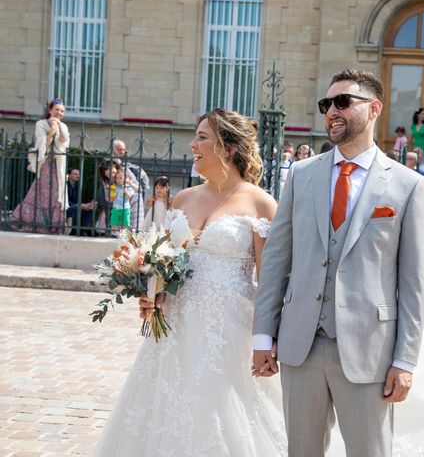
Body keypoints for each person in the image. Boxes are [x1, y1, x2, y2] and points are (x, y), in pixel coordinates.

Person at [252, 69, 424, 457]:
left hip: (371, 353)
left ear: (374, 108)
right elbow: (277, 260)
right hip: (300, 345)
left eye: (343, 102)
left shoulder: (407, 185)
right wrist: (263, 335)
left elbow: (414, 283)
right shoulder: (301, 174)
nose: (332, 110)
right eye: (326, 104)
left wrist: (405, 359)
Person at [92, 108, 284, 456]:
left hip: (228, 332)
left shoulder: (261, 203)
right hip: (175, 330)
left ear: (228, 147)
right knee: (165, 410)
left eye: (202, 137)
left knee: (219, 418)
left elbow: (269, 282)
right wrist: (152, 293)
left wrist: (264, 342)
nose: (193, 144)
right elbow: (163, 264)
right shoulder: (182, 199)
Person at [10, 98, 69, 233]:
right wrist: (52, 130)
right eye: (57, 110)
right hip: (46, 162)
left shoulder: (63, 126)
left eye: (62, 111)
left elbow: (65, 140)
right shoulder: (41, 123)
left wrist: (58, 125)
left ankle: (53, 225)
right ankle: (35, 223)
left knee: (57, 193)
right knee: (40, 191)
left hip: (58, 165)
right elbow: (43, 144)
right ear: (50, 110)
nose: (59, 113)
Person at [111, 139, 149, 231]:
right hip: (116, 196)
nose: (122, 152)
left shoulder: (126, 163)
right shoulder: (110, 161)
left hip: (130, 196)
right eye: (119, 149)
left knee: (129, 223)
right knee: (116, 224)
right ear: (113, 149)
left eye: (123, 149)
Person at [66, 168, 96, 236]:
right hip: (67, 207)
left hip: (76, 206)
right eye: (75, 174)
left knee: (90, 209)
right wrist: (79, 205)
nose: (78, 176)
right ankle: (74, 231)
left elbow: (80, 200)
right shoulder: (65, 185)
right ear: (69, 175)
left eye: (79, 174)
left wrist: (88, 204)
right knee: (77, 208)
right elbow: (66, 201)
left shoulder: (78, 186)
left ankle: (83, 230)